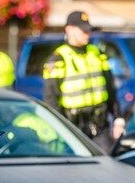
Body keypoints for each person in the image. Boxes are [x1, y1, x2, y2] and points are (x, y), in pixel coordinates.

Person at [43, 11, 124, 151]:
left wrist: (118, 119)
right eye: (83, 30)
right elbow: (51, 100)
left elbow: (110, 89)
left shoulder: (98, 54)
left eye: (89, 30)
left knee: (106, 166)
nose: (87, 33)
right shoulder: (58, 59)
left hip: (100, 127)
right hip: (73, 128)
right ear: (69, 30)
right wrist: (61, 130)